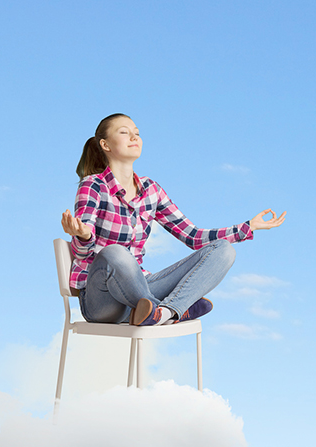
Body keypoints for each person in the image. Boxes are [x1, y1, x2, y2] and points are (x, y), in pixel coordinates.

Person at [60, 113, 285, 326]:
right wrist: (84, 235)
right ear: (105, 145)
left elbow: (193, 237)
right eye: (123, 132)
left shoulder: (151, 190)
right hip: (102, 301)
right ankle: (174, 310)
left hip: (139, 300)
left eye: (136, 132)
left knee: (224, 250)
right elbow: (81, 253)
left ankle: (163, 313)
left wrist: (248, 227)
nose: (134, 136)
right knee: (114, 252)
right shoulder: (93, 186)